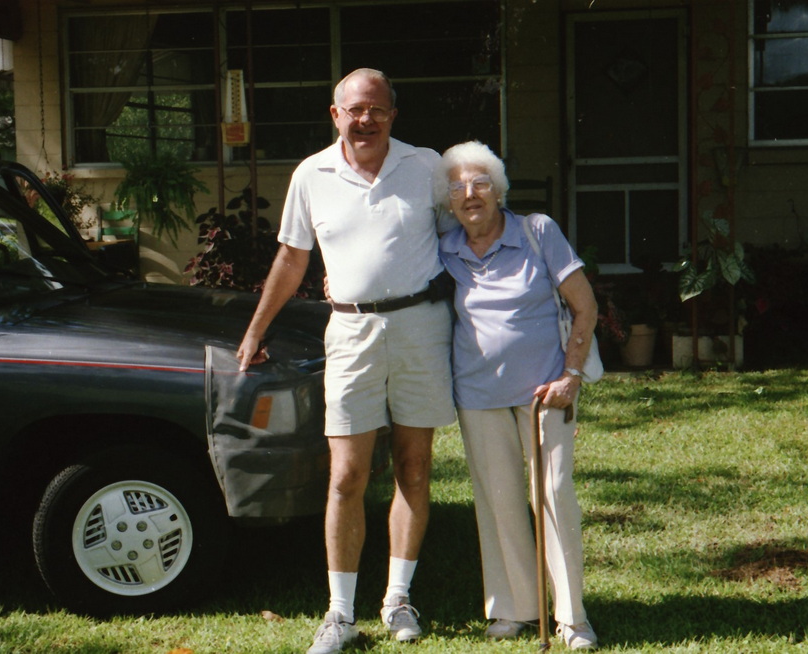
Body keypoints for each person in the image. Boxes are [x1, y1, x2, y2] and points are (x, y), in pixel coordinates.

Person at [237, 68, 455, 654]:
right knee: (345, 476)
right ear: (335, 116)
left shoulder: (427, 167)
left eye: (377, 110)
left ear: (393, 115)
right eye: (354, 110)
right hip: (351, 331)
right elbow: (291, 259)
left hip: (421, 328)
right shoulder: (312, 173)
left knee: (414, 466)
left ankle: (398, 598)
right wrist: (257, 330)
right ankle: (340, 613)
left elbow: (465, 239)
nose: (366, 120)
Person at [432, 141, 599, 649]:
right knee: (498, 501)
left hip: (545, 394)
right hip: (477, 394)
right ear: (449, 201)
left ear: (499, 190)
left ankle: (572, 618)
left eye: (480, 182)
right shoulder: (446, 247)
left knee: (552, 496)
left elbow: (585, 306)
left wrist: (571, 375)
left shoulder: (537, 231)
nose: (469, 194)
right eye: (458, 186)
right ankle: (515, 608)